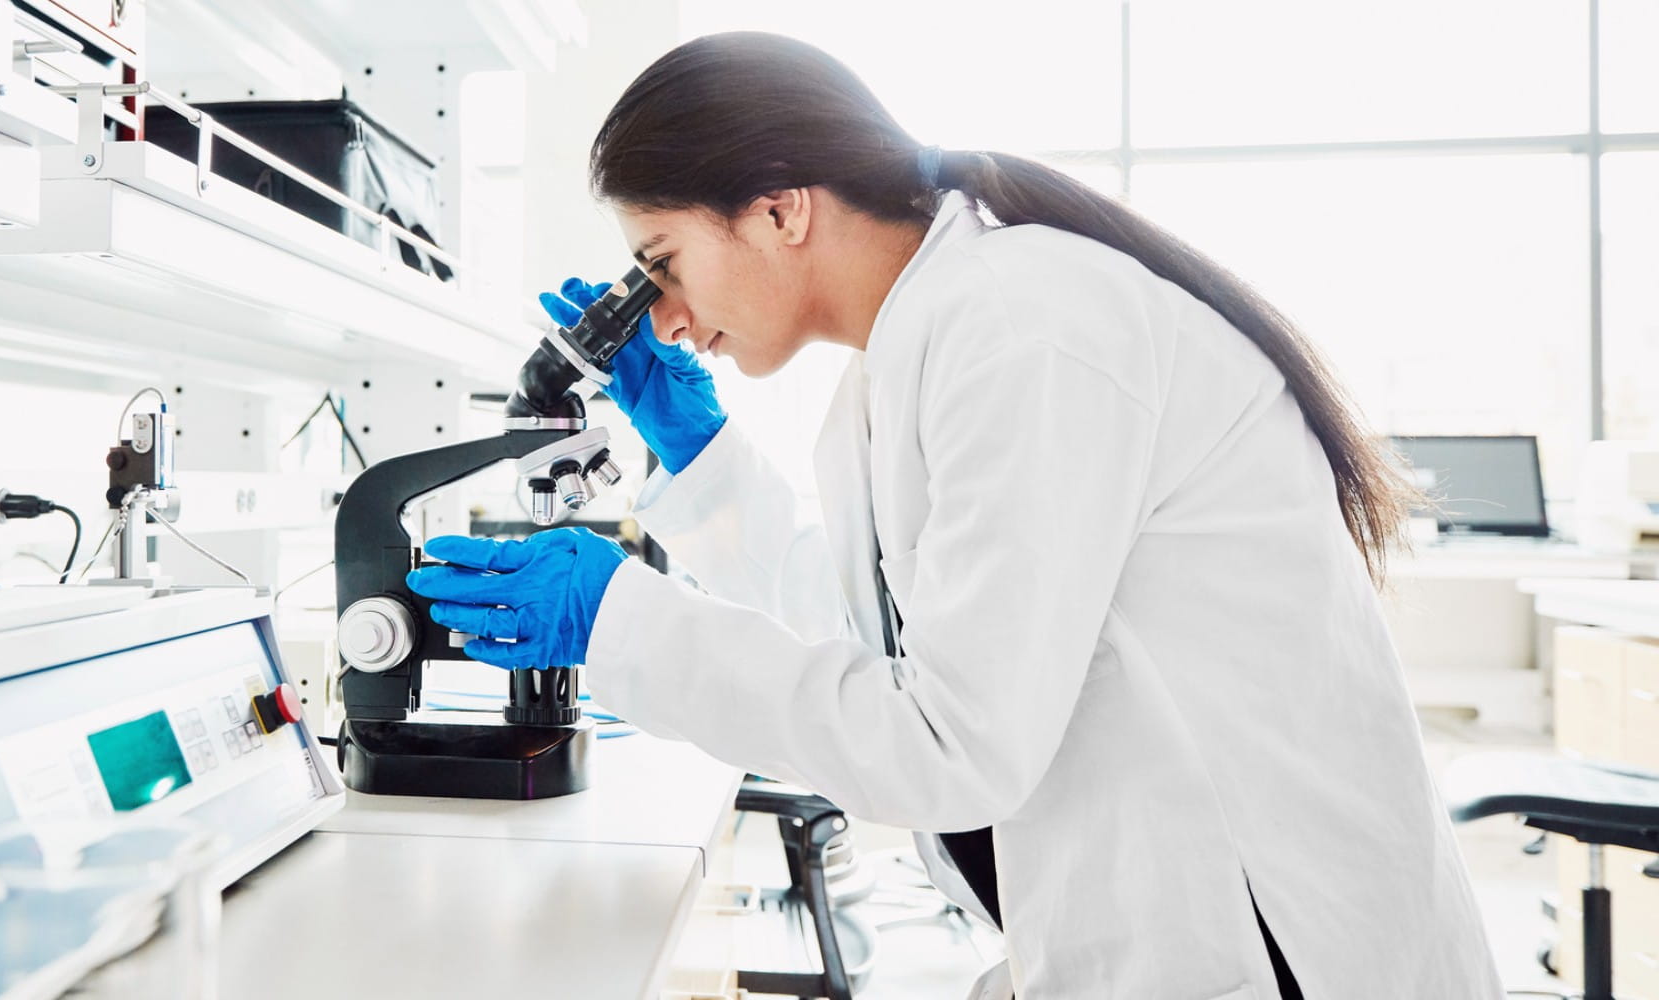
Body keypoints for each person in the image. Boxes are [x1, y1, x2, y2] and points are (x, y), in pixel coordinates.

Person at [408, 31, 1503, 1000]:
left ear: (781, 208)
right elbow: (869, 643)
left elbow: (950, 741)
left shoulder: (1027, 324)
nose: (670, 314)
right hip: (1149, 929)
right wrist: (704, 466)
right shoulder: (912, 360)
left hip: (1282, 949)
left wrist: (617, 619)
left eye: (665, 265)